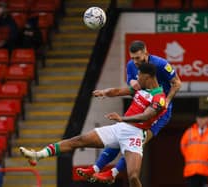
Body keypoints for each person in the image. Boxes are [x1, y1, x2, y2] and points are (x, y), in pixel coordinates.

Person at [20, 63, 167, 187]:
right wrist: (104, 92)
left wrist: (122, 118)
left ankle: (108, 173)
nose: (136, 78)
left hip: (135, 135)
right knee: (78, 140)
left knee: (133, 176)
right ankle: (37, 155)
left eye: (139, 75)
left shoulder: (159, 98)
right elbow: (117, 91)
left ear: (147, 77)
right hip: (119, 129)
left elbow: (146, 115)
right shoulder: (140, 88)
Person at [77, 40, 182, 183]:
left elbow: (177, 83)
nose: (135, 61)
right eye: (132, 58)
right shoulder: (131, 66)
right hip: (141, 105)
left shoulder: (161, 64)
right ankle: (97, 169)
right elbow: (133, 86)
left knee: (137, 142)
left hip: (159, 111)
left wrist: (168, 100)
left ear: (146, 53)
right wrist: (111, 91)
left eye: (138, 58)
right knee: (121, 135)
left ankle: (112, 173)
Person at [180, 110, 208, 187]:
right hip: (191, 171)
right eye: (199, 118)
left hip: (207, 172)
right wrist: (191, 158)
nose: (201, 120)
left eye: (203, 118)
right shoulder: (189, 132)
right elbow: (183, 148)